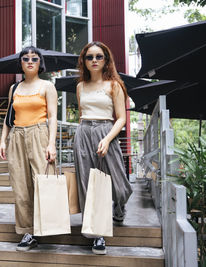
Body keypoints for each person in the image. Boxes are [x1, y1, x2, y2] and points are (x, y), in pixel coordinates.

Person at [73, 41, 133, 255]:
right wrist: (84, 134)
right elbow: (81, 114)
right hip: (84, 133)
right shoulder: (80, 86)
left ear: (106, 60)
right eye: (90, 57)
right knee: (88, 184)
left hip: (107, 131)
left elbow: (121, 119)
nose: (94, 60)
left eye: (99, 56)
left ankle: (119, 204)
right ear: (84, 61)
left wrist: (107, 139)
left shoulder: (114, 85)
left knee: (119, 184)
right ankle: (97, 234)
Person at [0, 46, 58, 252]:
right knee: (20, 186)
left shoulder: (47, 86)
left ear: (40, 63)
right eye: (26, 58)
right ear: (21, 63)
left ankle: (46, 226)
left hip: (39, 135)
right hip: (17, 136)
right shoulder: (14, 88)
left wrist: (51, 143)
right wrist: (3, 140)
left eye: (34, 58)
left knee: (42, 182)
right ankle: (27, 231)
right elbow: (8, 117)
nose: (30, 61)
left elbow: (52, 117)